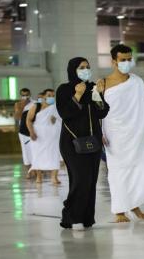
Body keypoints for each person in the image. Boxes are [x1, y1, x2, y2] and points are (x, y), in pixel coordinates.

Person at [102, 44, 144, 223]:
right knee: (118, 171)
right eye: (122, 60)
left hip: (137, 133)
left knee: (140, 170)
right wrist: (99, 133)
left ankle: (135, 204)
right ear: (113, 61)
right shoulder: (103, 84)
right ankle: (119, 211)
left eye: (129, 59)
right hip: (114, 134)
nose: (126, 62)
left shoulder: (137, 81)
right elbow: (96, 111)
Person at [57, 57, 110, 230]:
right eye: (81, 67)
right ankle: (73, 217)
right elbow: (65, 113)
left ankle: (86, 218)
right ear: (73, 69)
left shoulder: (92, 88)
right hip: (71, 142)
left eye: (87, 67)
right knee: (79, 179)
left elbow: (102, 113)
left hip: (93, 142)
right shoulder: (64, 89)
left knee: (90, 180)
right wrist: (77, 95)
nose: (86, 69)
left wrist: (99, 94)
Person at [26, 89, 62, 184]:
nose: (51, 97)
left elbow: (60, 120)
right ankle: (39, 177)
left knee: (54, 155)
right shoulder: (36, 106)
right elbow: (29, 120)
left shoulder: (56, 107)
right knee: (38, 155)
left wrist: (55, 119)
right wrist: (31, 132)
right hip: (38, 135)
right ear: (43, 96)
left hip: (52, 136)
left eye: (53, 95)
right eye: (49, 95)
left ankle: (54, 177)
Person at [14, 88, 35, 177]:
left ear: (30, 94)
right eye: (23, 95)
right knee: (26, 151)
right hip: (23, 131)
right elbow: (17, 117)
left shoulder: (35, 103)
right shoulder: (18, 104)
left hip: (34, 129)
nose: (25, 97)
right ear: (20, 96)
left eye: (27, 94)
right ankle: (29, 171)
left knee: (35, 150)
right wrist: (21, 107)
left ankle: (37, 169)